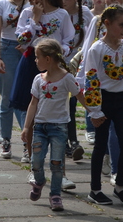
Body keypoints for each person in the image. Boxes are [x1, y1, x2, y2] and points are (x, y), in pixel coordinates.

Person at [81, 5, 123, 207]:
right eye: (121, 25)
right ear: (107, 24)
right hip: (103, 100)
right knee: (100, 146)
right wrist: (94, 110)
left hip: (121, 101)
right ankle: (95, 189)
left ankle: (120, 185)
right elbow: (90, 78)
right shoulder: (97, 49)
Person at [22, 38, 95, 212]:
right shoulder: (38, 79)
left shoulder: (67, 78)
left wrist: (94, 112)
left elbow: (79, 95)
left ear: (48, 59)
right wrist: (26, 127)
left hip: (59, 128)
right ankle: (39, 181)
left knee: (57, 164)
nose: (35, 60)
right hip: (40, 127)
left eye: (38, 57)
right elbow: (33, 104)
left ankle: (55, 195)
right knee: (36, 162)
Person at [10, 0, 75, 163]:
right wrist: (35, 21)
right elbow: (21, 39)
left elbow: (69, 39)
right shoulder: (27, 13)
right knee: (29, 107)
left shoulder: (61, 14)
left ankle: (57, 156)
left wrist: (60, 51)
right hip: (31, 62)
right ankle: (30, 153)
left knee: (54, 109)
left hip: (53, 66)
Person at [0, 0, 32, 151]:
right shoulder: (0, 4)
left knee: (27, 98)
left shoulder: (33, 3)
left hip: (28, 51)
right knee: (7, 98)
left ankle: (27, 143)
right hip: (7, 48)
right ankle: (5, 140)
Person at [58, 0, 93, 162]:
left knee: (71, 104)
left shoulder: (85, 14)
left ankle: (71, 142)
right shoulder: (59, 13)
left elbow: (89, 39)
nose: (63, 1)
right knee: (64, 105)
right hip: (60, 64)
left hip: (77, 64)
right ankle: (68, 142)